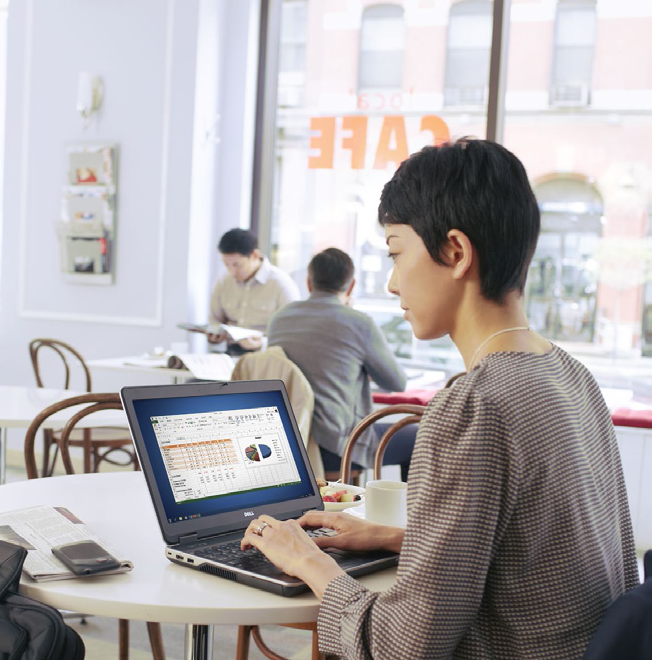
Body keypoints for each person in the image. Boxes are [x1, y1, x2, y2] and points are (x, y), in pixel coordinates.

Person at [241, 139, 639, 659]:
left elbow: (402, 647)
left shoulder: (474, 407)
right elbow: (535, 560)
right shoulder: (569, 374)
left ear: (455, 252)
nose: (390, 282)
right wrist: (396, 538)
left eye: (396, 253)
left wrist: (309, 562)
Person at [267, 247, 411, 479]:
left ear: (309, 283)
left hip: (288, 443)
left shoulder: (279, 318)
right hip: (336, 447)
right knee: (418, 436)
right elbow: (397, 382)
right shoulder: (358, 322)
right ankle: (415, 516)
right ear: (351, 286)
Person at [209, 228, 299, 351]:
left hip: (266, 355)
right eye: (227, 265)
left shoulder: (281, 283)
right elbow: (215, 320)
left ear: (255, 255)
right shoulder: (224, 280)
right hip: (231, 353)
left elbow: (293, 333)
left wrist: (262, 343)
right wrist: (214, 335)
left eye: (237, 265)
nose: (232, 271)